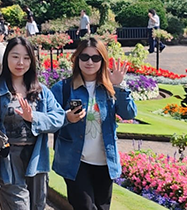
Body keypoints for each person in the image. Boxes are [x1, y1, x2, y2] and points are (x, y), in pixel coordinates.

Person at [0, 37, 65, 210]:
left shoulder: (41, 91)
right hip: (8, 161)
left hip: (36, 159)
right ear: (6, 58)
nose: (20, 62)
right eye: (15, 56)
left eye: (26, 58)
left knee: (37, 206)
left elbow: (59, 117)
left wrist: (34, 118)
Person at [50, 38, 136, 210]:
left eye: (96, 58)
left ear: (103, 61)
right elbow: (50, 120)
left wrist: (119, 86)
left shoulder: (109, 88)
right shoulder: (63, 88)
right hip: (75, 162)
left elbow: (129, 113)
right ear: (77, 59)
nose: (90, 62)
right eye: (85, 57)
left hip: (104, 162)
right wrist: (67, 118)